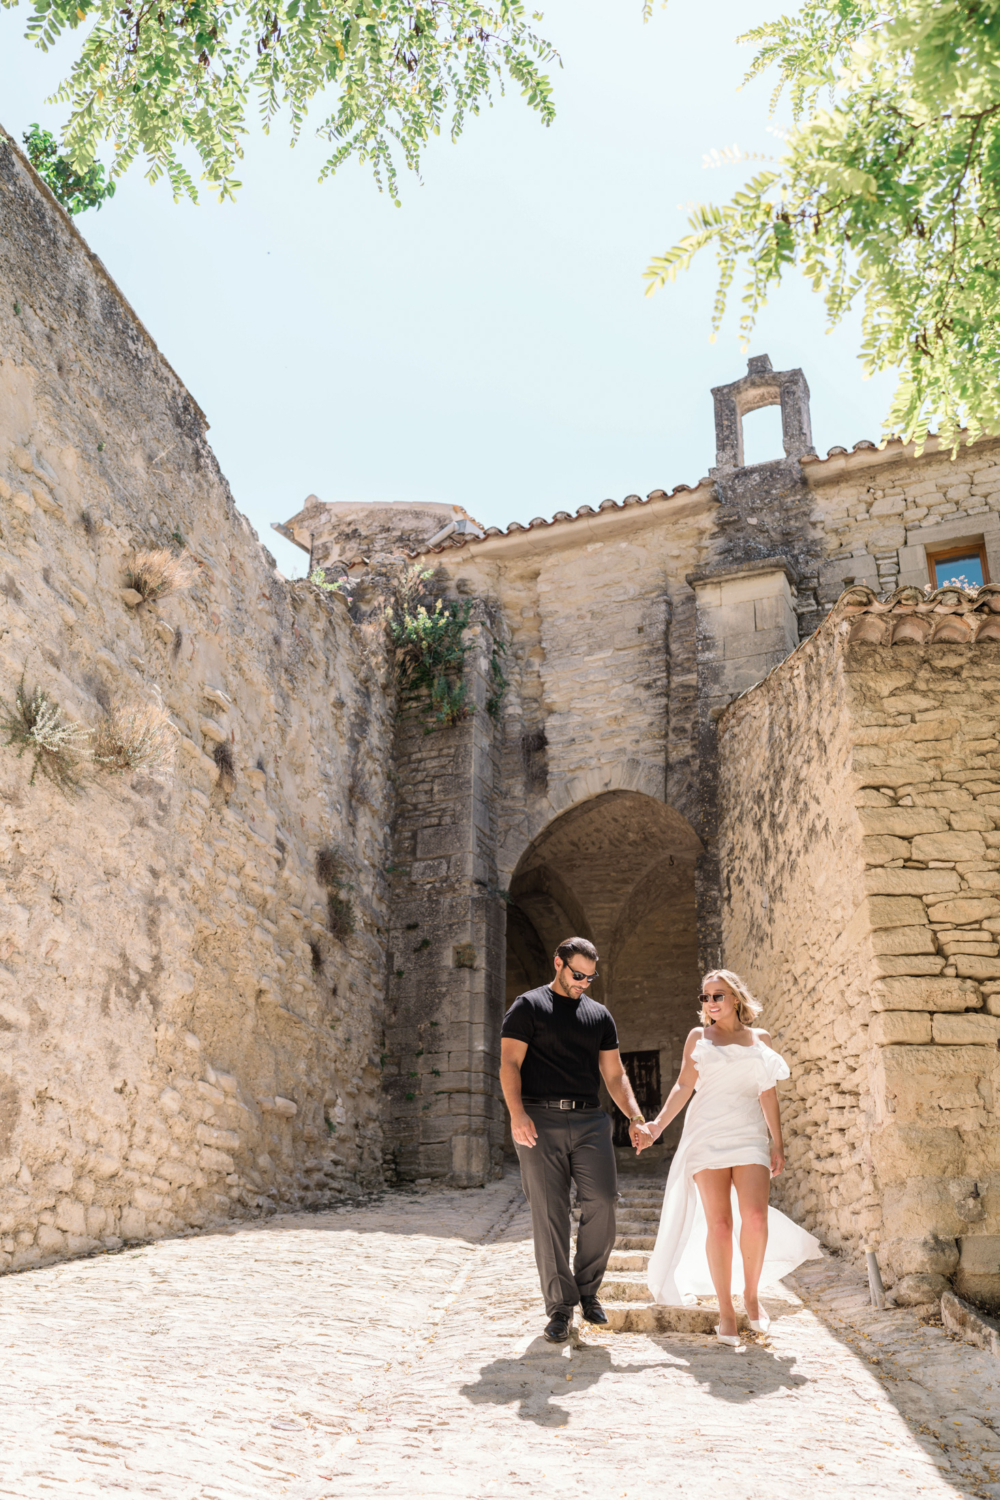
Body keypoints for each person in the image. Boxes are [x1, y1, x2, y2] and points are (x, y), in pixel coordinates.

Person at [639, 969, 821, 1344]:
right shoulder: (698, 1038)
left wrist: (778, 1143)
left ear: (735, 998)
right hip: (707, 1134)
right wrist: (656, 1125)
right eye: (705, 997)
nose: (710, 1004)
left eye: (717, 996)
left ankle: (751, 1296)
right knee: (719, 1224)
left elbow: (767, 1093)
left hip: (749, 1134)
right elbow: (684, 1085)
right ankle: (726, 1313)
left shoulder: (760, 1040)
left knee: (754, 1217)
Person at [500, 937, 653, 1344]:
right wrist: (517, 1115)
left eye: (590, 976)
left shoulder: (599, 1016)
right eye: (577, 974)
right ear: (558, 964)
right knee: (549, 1212)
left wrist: (635, 1118)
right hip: (539, 1119)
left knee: (603, 1201)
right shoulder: (528, 1006)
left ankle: (587, 1291)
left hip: (589, 1121)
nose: (583, 982)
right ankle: (560, 1308)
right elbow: (510, 1063)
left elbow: (615, 1075)